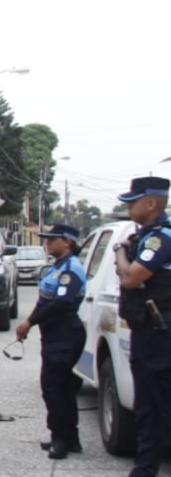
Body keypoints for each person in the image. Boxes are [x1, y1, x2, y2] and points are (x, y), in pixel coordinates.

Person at [112, 176, 171, 477]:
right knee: (151, 401)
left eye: (132, 203)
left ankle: (146, 469)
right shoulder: (147, 236)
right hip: (151, 329)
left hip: (158, 333)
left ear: (150, 203)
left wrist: (119, 251)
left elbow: (131, 278)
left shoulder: (159, 238)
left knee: (151, 403)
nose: (128, 208)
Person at [14, 223, 87, 459]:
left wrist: (30, 323)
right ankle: (71, 437)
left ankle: (61, 438)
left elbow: (61, 303)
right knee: (63, 387)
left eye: (52, 239)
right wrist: (29, 322)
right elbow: (44, 300)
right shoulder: (56, 267)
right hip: (54, 334)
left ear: (67, 242)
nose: (47, 242)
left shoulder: (71, 269)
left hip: (65, 333)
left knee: (53, 388)